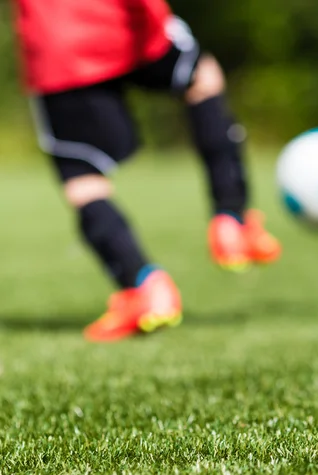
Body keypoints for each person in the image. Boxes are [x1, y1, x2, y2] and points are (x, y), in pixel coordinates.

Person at [14, 0, 282, 342]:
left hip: (59, 43)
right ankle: (232, 219)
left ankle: (146, 288)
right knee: (202, 78)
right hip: (124, 24)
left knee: (83, 179)